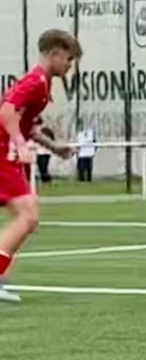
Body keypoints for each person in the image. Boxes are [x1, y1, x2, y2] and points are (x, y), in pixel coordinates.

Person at [0, 31, 83, 303]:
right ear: (55, 53)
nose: (69, 65)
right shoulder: (35, 81)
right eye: (69, 59)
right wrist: (19, 144)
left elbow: (27, 126)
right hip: (3, 156)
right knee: (28, 215)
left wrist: (53, 147)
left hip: (7, 156)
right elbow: (6, 112)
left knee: (28, 216)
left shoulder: (42, 84)